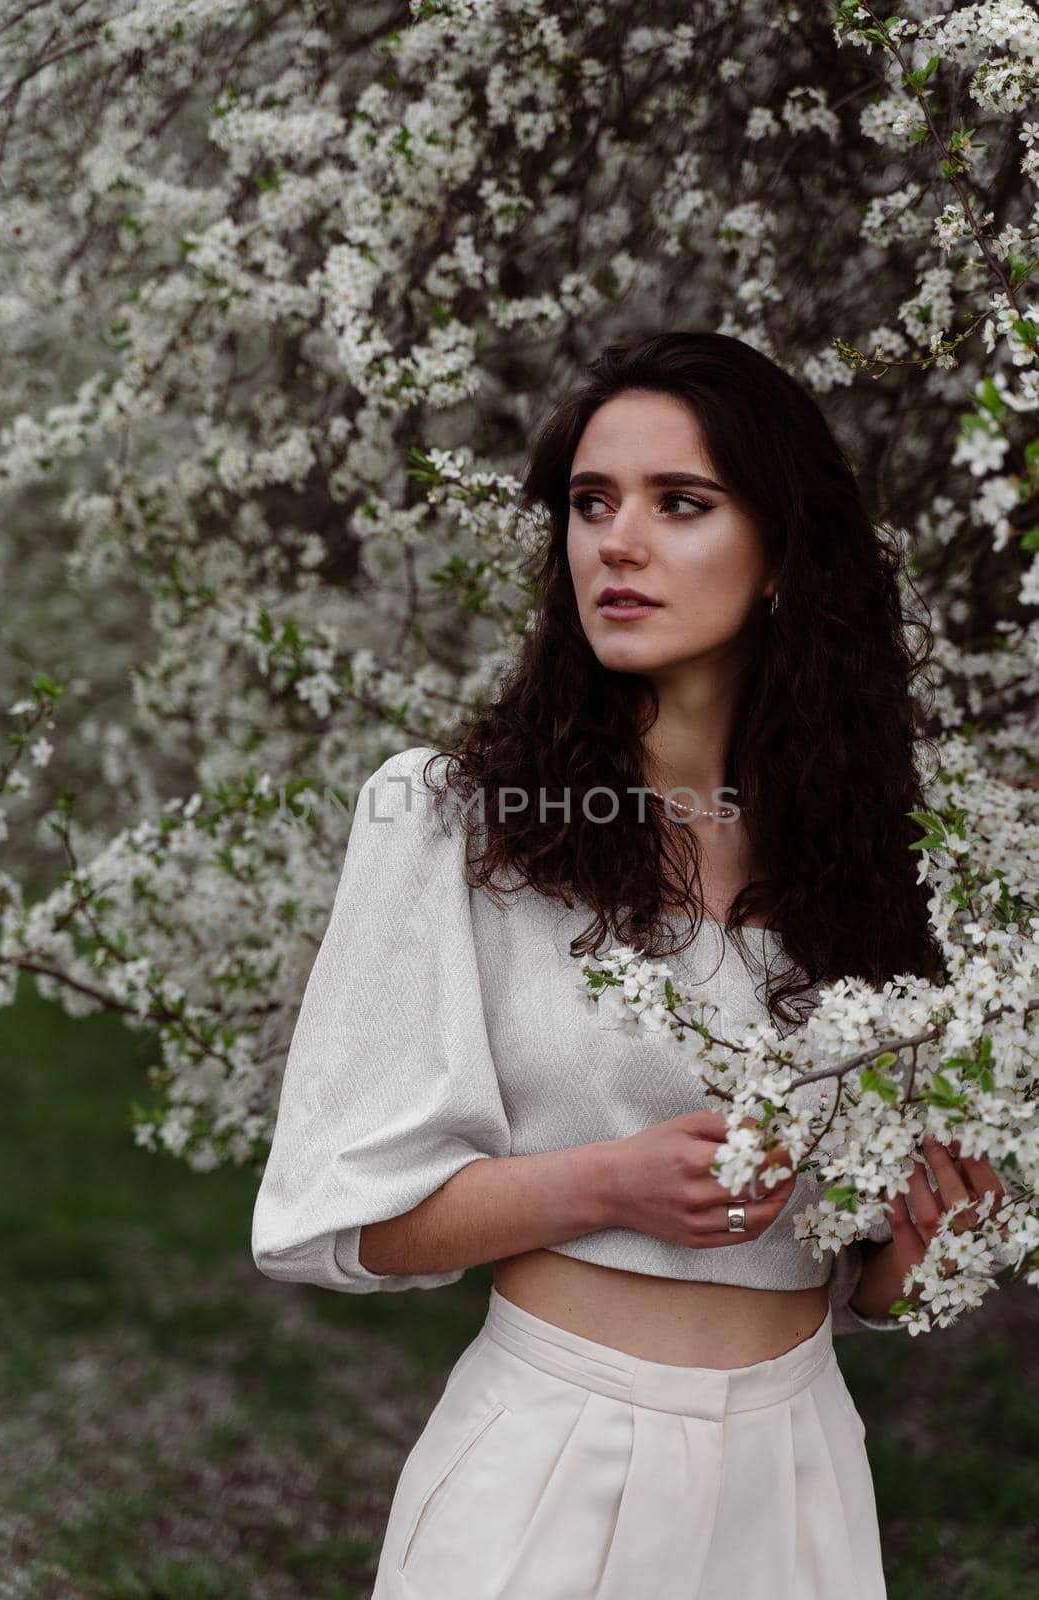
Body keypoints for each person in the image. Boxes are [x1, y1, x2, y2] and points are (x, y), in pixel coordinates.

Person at [250, 329, 1007, 1599]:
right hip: (551, 1457)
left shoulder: (883, 852)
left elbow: (854, 1264)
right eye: (592, 502)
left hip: (802, 1467)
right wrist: (606, 1180)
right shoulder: (451, 820)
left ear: (778, 557)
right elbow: (343, 1215)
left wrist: (916, 1242)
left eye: (681, 503)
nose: (616, 539)